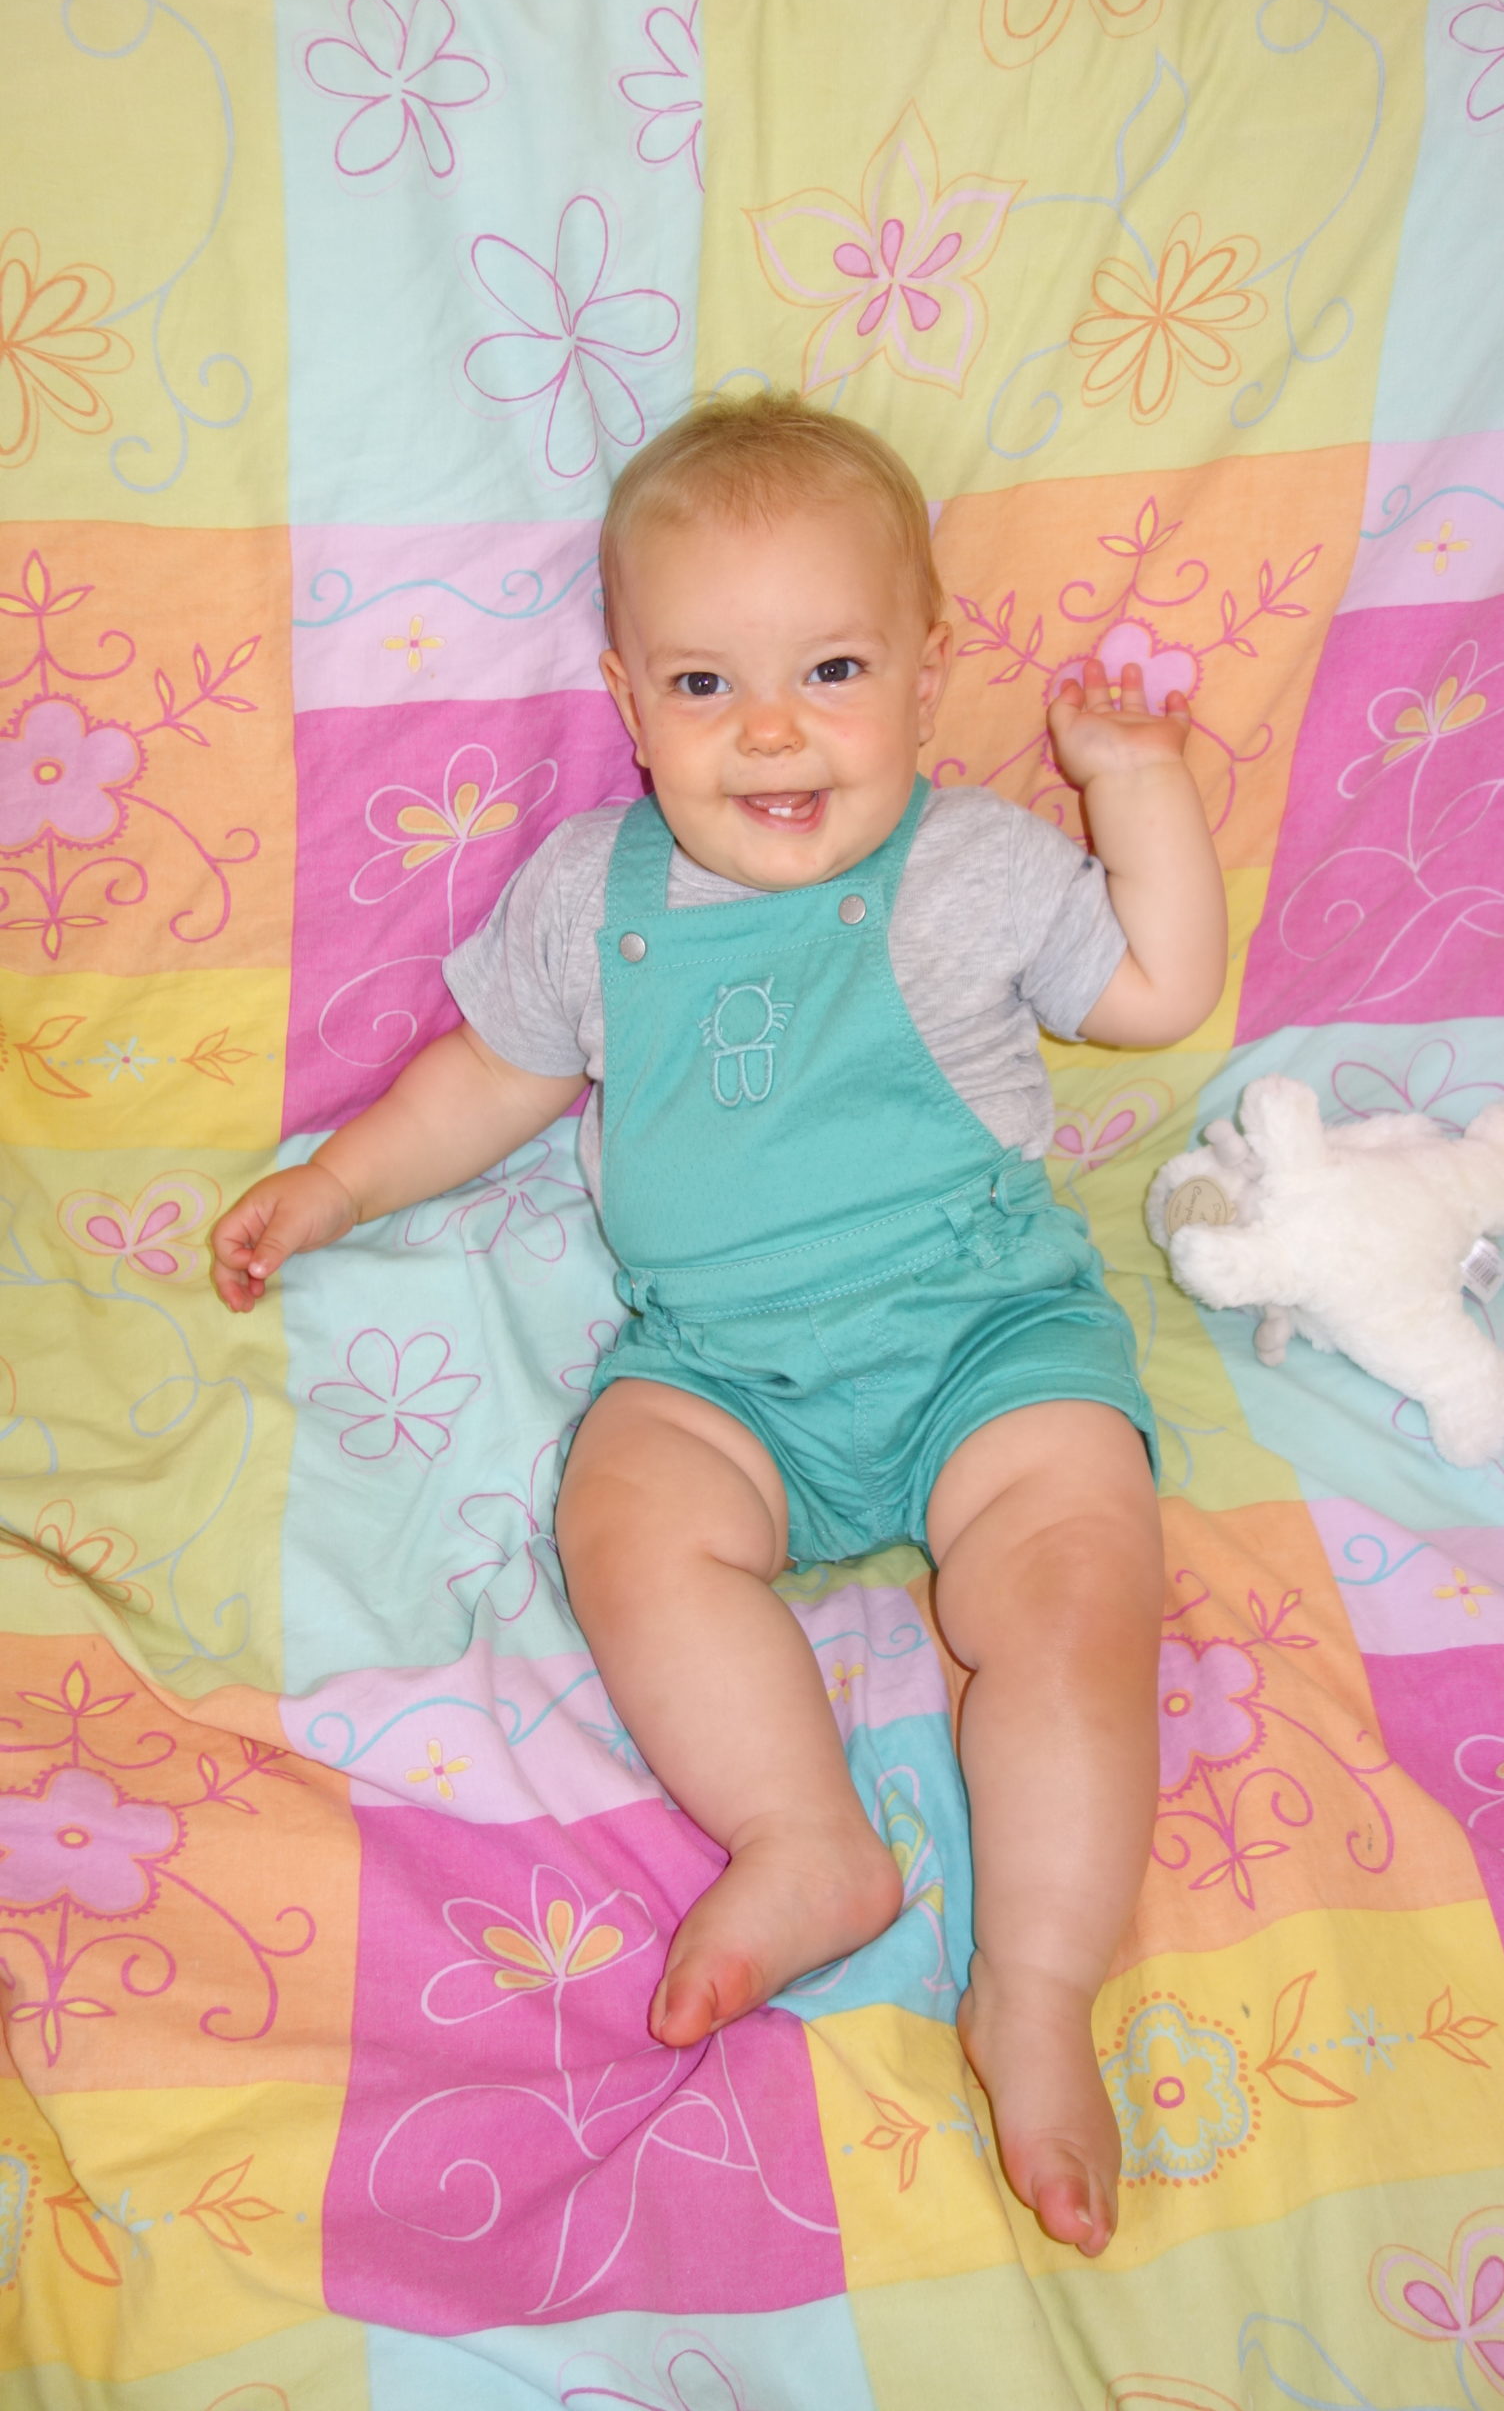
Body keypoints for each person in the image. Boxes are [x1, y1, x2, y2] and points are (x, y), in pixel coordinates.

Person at [210, 392, 1228, 2256]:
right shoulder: (589, 896)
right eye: (705, 684)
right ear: (626, 697)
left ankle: (1037, 1986)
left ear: (926, 672)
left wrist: (1137, 784)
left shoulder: (975, 864)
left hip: (986, 1339)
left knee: (1073, 1595)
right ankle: (805, 1839)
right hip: (721, 1368)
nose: (771, 729)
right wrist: (338, 1188)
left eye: (831, 669)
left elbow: (1158, 991)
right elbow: (489, 1079)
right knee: (626, 1515)